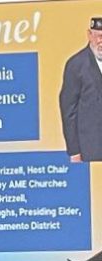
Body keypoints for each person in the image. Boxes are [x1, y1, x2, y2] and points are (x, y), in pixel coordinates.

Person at [60, 17, 102, 163]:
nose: (101, 41)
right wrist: (74, 151)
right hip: (91, 150)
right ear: (89, 35)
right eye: (98, 36)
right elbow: (69, 111)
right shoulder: (76, 65)